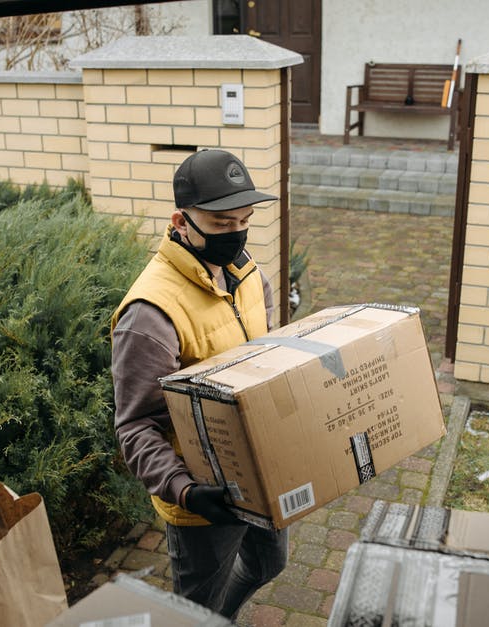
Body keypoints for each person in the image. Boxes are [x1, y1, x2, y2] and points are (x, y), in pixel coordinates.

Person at [110, 149, 288, 618]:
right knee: (194, 610)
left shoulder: (249, 276)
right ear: (181, 221)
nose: (237, 234)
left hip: (262, 471)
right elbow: (134, 426)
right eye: (222, 223)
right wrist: (185, 490)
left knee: (271, 564)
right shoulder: (149, 314)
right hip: (203, 500)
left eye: (244, 221)